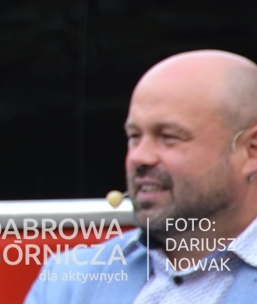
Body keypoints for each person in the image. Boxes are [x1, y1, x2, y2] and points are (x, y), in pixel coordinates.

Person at [25, 50, 257, 304]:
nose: (139, 157)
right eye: (135, 137)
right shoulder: (70, 281)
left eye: (168, 137)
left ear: (251, 151)